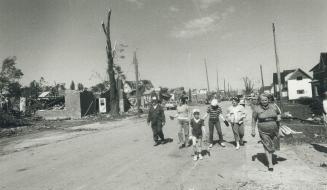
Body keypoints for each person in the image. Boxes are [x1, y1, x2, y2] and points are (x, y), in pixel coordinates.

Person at [252, 94, 281, 171]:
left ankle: (270, 156)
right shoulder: (256, 108)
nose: (264, 101)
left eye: (265, 100)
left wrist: (278, 117)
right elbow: (254, 119)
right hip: (263, 130)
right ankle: (270, 164)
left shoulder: (274, 106)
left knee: (273, 146)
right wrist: (253, 130)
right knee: (267, 145)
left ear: (268, 100)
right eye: (262, 100)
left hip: (274, 129)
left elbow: (278, 114)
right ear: (260, 101)